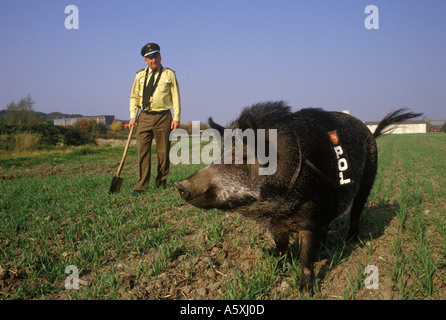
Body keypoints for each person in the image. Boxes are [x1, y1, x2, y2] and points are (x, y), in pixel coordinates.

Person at [129, 43, 181, 194]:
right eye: (150, 58)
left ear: (160, 56)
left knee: (163, 152)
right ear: (145, 60)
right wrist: (133, 116)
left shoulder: (169, 74)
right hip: (144, 117)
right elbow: (134, 97)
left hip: (163, 117)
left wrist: (176, 117)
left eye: (156, 56)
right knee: (143, 151)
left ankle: (161, 181)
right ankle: (141, 186)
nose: (153, 60)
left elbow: (176, 97)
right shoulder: (139, 75)